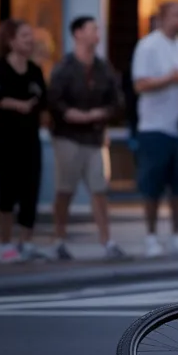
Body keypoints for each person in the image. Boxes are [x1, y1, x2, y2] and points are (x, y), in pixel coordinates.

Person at [46, 16, 128, 261]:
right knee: (65, 189)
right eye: (92, 29)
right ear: (78, 33)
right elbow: (53, 100)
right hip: (68, 136)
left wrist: (100, 114)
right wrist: (69, 113)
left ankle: (107, 241)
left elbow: (117, 101)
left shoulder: (103, 68)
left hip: (95, 137)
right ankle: (59, 239)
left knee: (99, 189)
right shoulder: (64, 67)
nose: (97, 34)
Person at [131, 1, 178, 258]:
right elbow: (139, 84)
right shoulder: (148, 45)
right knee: (152, 185)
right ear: (162, 17)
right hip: (155, 126)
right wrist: (168, 79)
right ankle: (151, 236)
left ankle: (177, 235)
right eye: (176, 15)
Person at [0, 19, 48, 263]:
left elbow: (43, 99)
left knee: (30, 189)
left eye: (30, 35)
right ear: (11, 41)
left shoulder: (35, 70)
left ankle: (26, 242)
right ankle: (5, 244)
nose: (30, 40)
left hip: (30, 138)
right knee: (7, 190)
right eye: (24, 36)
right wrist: (18, 104)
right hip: (5, 138)